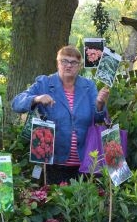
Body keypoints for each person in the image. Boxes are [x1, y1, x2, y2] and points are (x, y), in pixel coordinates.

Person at [11, 46, 110, 183]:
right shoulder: (44, 83)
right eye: (64, 61)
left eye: (73, 62)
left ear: (79, 66)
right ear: (58, 63)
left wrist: (99, 103)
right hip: (53, 162)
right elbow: (16, 103)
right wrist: (37, 98)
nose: (69, 65)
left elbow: (99, 118)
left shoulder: (89, 86)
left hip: (85, 164)